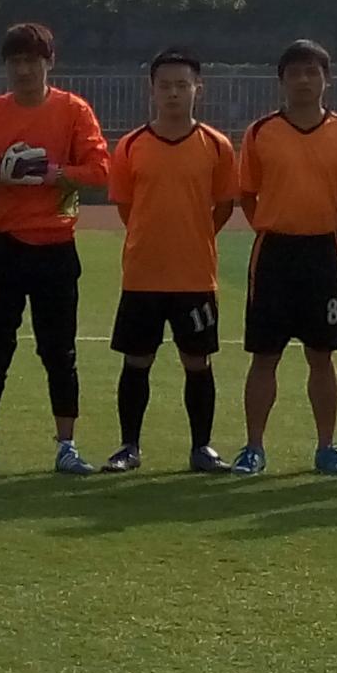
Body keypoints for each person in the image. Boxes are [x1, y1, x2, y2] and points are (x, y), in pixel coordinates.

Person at [0, 20, 107, 477]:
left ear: (49, 62)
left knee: (60, 351)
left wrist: (55, 174)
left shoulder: (73, 111)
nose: (23, 70)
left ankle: (67, 446)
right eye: (15, 61)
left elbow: (100, 170)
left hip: (57, 248)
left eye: (32, 60)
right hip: (6, 247)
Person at [232, 39, 337, 476]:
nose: (304, 81)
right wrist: (273, 225)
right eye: (294, 73)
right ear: (282, 81)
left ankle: (326, 447)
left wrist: (328, 233)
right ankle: (253, 447)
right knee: (264, 355)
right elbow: (247, 194)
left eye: (312, 72)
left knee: (322, 355)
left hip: (321, 255)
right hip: (273, 255)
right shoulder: (261, 132)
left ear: (327, 79)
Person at [102, 46, 238, 474]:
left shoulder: (217, 146)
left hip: (194, 276)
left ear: (199, 88)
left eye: (182, 85)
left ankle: (202, 448)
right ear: (152, 91)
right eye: (165, 86)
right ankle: (128, 446)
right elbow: (126, 206)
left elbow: (223, 205)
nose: (174, 93)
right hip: (142, 276)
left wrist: (193, 237)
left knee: (197, 362)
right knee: (136, 361)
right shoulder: (131, 146)